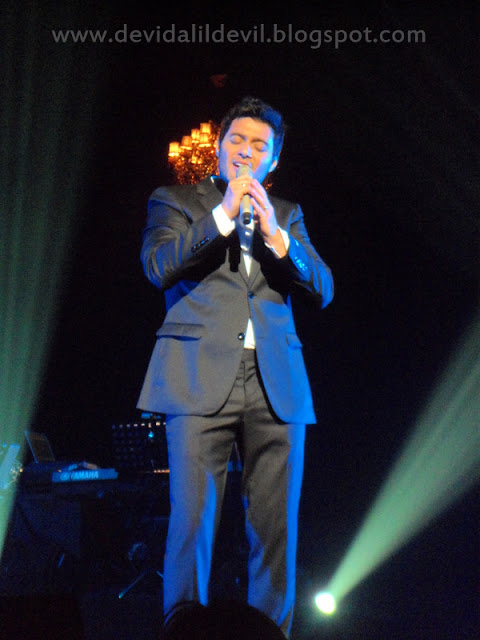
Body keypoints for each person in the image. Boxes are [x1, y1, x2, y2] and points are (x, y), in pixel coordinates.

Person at [137, 96, 334, 638]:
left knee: (274, 531)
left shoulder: (287, 213)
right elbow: (158, 266)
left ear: (274, 159)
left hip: (277, 383)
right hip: (198, 376)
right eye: (237, 141)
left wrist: (276, 237)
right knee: (192, 525)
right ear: (220, 148)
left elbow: (323, 288)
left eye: (259, 145)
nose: (247, 152)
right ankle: (183, 632)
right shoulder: (175, 200)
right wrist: (223, 215)